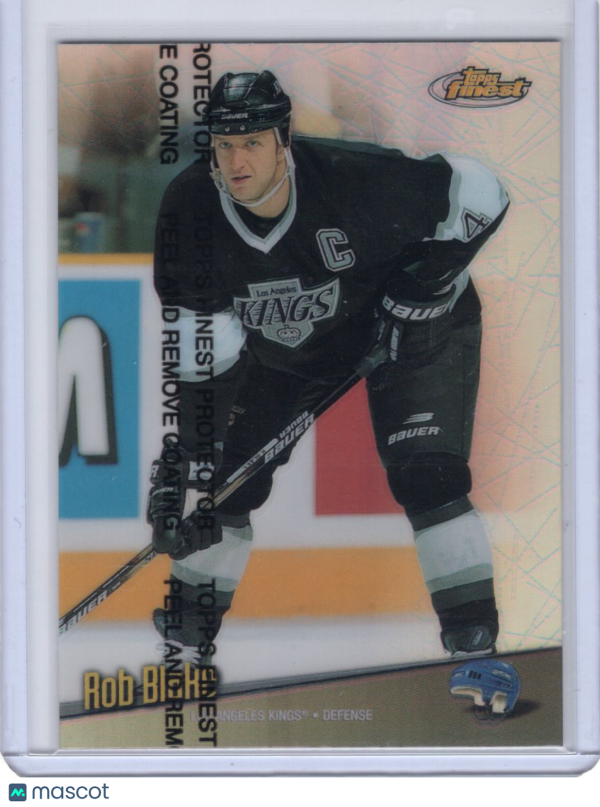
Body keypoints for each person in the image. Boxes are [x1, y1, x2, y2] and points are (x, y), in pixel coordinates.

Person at [148, 70, 509, 666]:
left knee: (427, 475)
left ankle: (474, 642)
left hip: (412, 332)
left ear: (283, 140)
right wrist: (193, 456)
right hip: (292, 354)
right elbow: (204, 352)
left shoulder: (353, 177)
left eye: (253, 142)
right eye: (224, 144)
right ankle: (187, 633)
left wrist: (426, 285)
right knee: (226, 488)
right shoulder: (190, 211)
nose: (236, 161)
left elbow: (482, 192)